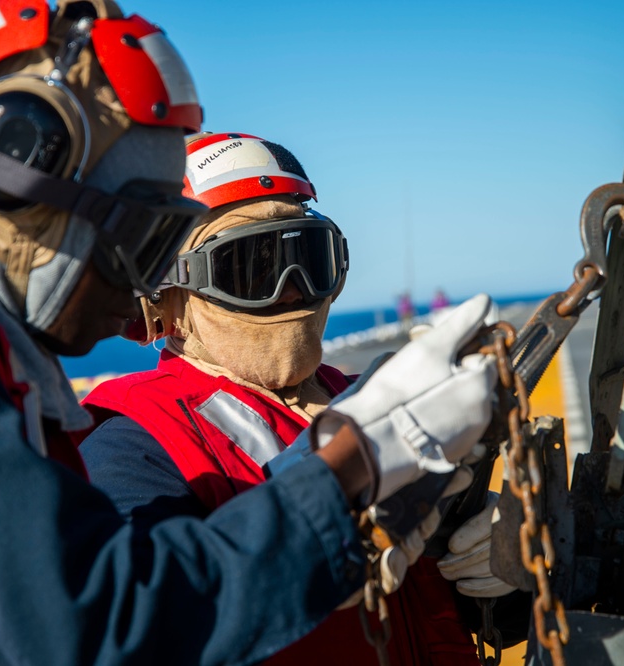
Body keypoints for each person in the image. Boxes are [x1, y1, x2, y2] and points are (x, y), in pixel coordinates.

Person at [0, 2, 499, 665]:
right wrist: (353, 470)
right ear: (13, 180)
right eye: (140, 239)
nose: (134, 293)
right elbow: (89, 627)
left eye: (312, 261)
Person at [79, 132, 513, 665]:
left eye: (309, 258)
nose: (291, 288)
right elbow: (149, 628)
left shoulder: (370, 400)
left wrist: (502, 571)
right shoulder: (132, 443)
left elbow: (453, 613)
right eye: (253, 268)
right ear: (169, 293)